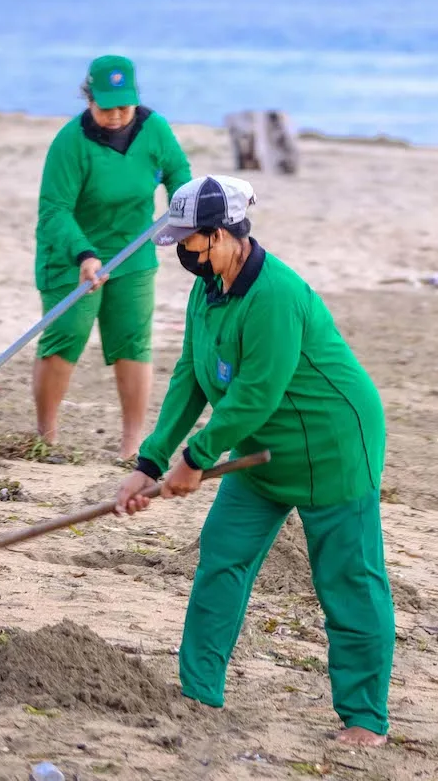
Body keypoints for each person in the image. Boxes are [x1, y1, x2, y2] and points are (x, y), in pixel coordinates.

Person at [115, 175, 395, 747]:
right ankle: (198, 691)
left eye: (188, 243)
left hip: (333, 444)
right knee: (222, 558)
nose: (182, 255)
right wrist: (150, 460)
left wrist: (195, 457)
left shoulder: (276, 294)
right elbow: (190, 376)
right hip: (257, 449)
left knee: (348, 579)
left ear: (221, 235)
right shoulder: (208, 289)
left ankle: (365, 719)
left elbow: (256, 392)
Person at [33, 55, 192, 461]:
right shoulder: (70, 142)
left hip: (133, 253)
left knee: (133, 342)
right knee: (66, 335)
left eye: (125, 105)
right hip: (72, 254)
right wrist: (84, 255)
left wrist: (188, 216)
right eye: (107, 107)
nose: (118, 115)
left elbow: (179, 176)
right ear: (89, 99)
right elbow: (54, 211)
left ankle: (132, 445)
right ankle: (46, 437)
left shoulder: (154, 129)